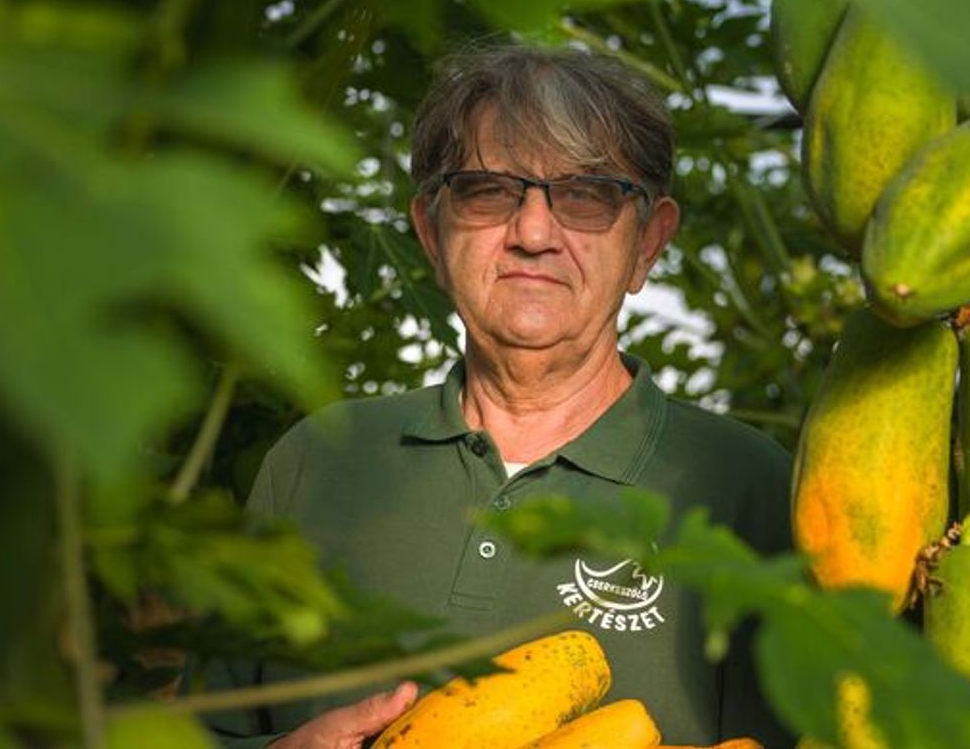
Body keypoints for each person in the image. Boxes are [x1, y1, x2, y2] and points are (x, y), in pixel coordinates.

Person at [197, 44, 794, 747]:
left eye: (586, 195)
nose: (533, 234)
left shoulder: (750, 488)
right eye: (488, 191)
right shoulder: (316, 461)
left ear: (647, 243)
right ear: (430, 232)